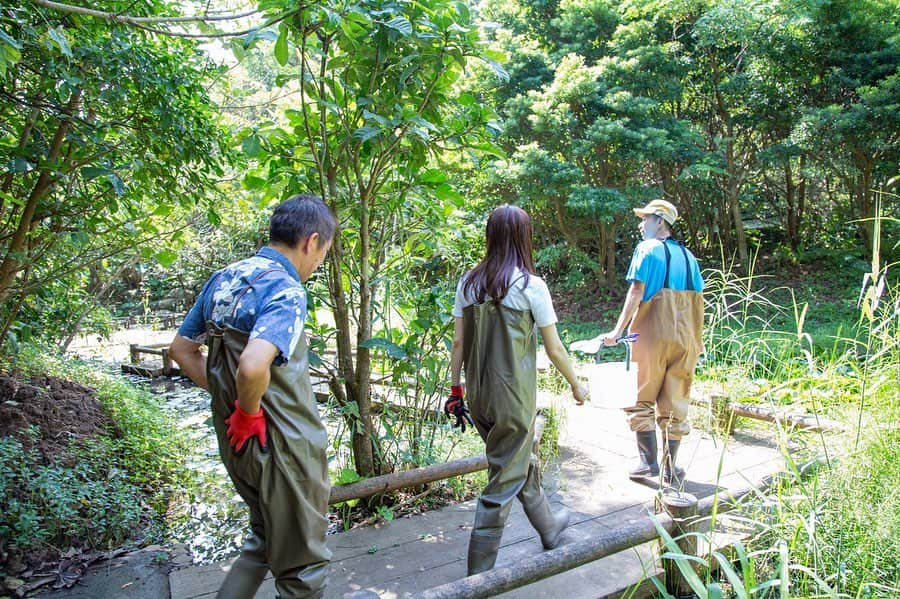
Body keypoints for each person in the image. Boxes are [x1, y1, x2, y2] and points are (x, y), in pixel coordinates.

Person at [170, 195, 337, 599]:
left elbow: (181, 350)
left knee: (262, 539)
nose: (318, 264)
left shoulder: (224, 278)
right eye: (324, 254)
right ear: (311, 242)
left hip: (237, 444)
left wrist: (228, 402)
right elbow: (251, 366)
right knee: (303, 567)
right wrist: (247, 410)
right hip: (280, 445)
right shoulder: (286, 290)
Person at [446, 204, 590, 576]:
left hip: (478, 398)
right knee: (501, 484)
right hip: (513, 399)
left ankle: (549, 527)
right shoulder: (529, 286)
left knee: (516, 463)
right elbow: (554, 348)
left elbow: (459, 345)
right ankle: (476, 579)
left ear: (491, 236)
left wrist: (455, 390)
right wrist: (577, 385)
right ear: (523, 237)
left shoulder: (468, 283)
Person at [585, 199, 703, 485]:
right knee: (676, 401)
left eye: (645, 219)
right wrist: (698, 343)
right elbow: (699, 303)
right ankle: (670, 467)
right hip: (686, 337)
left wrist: (616, 331)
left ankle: (647, 462)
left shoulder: (646, 249)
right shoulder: (689, 256)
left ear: (659, 221)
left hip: (652, 333)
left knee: (640, 397)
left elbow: (636, 291)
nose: (641, 224)